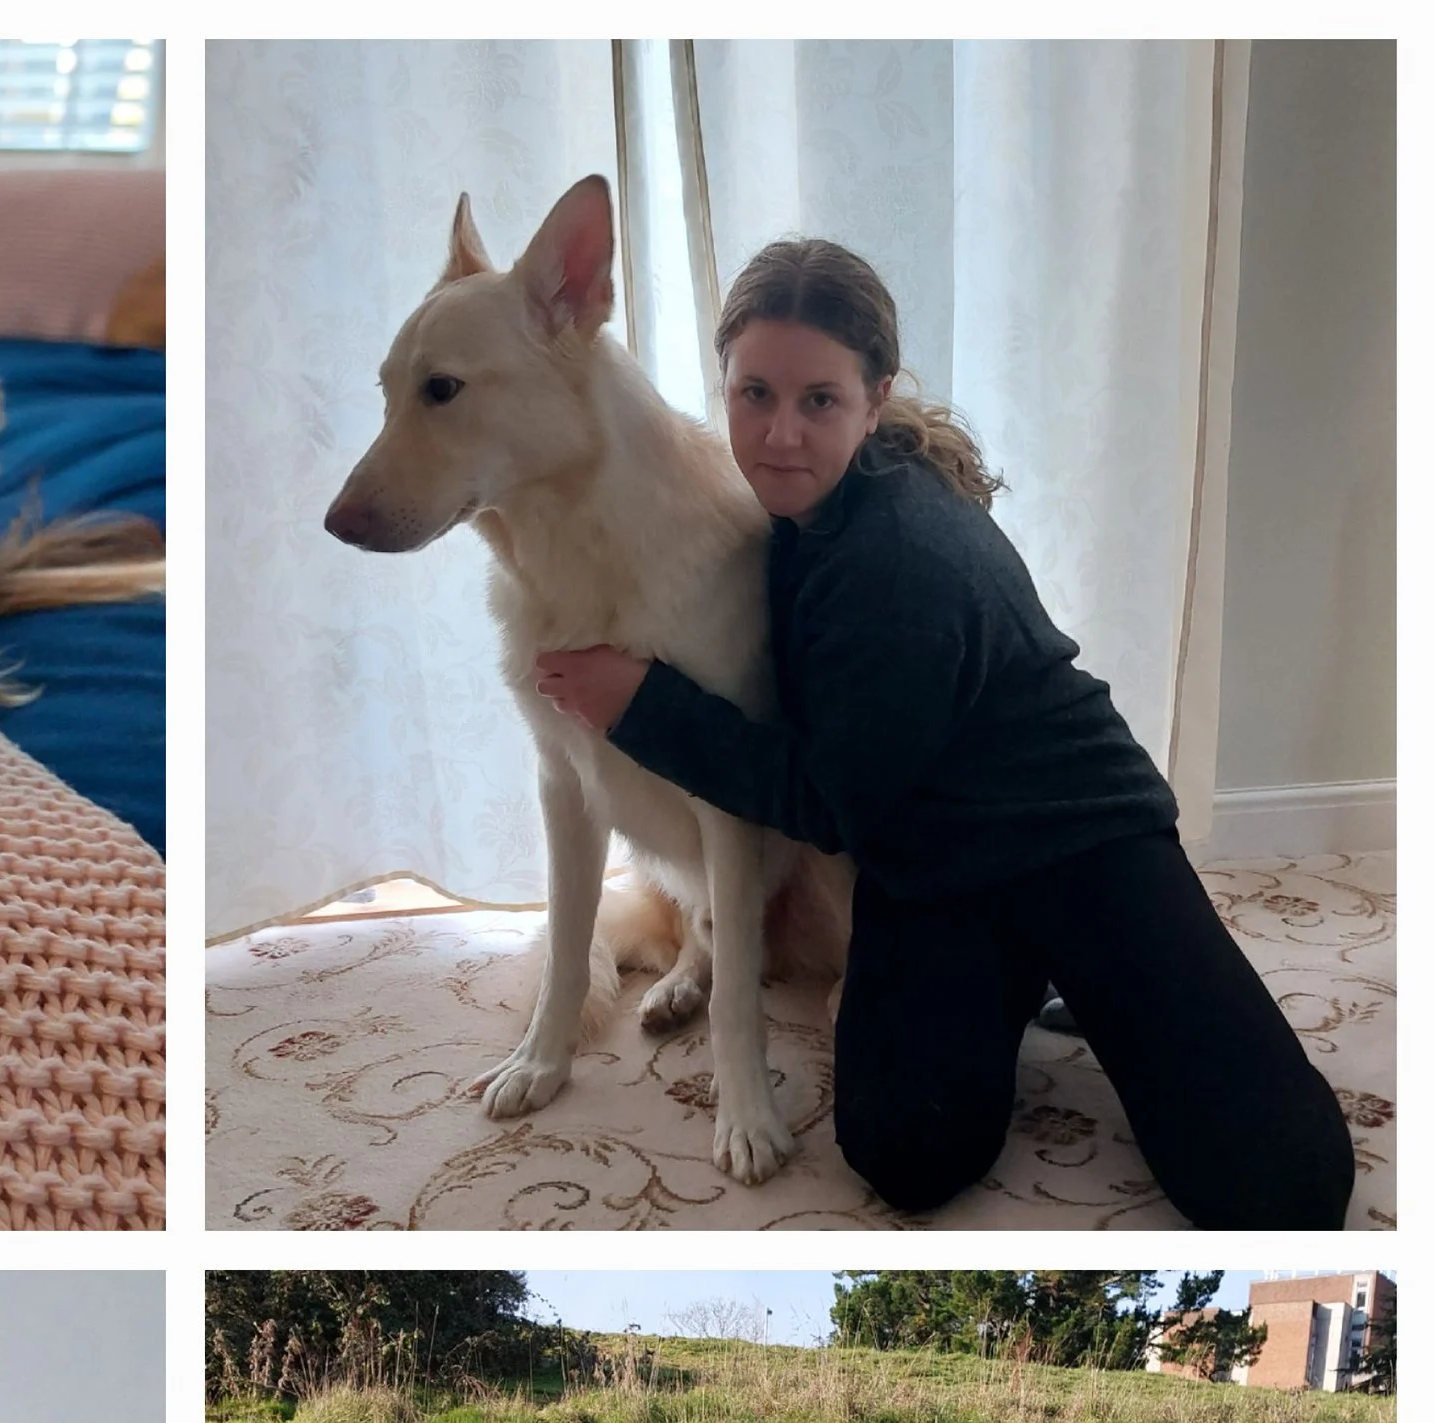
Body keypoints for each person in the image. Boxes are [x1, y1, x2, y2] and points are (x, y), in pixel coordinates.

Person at [531, 237, 1355, 1228]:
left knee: (1281, 1185)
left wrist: (638, 704)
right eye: (754, 394)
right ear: (724, 386)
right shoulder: (786, 508)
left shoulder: (899, 562)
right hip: (931, 857)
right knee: (904, 1152)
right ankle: (1020, 971)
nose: (779, 433)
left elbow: (825, 804)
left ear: (873, 398)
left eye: (818, 400)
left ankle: (1073, 965)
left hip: (1079, 836)